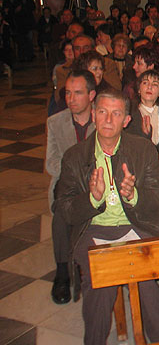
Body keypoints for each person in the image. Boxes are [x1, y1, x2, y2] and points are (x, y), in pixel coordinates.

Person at [54, 90, 159, 344]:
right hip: (93, 230)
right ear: (94, 115)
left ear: (126, 120)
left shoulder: (142, 149)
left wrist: (133, 195)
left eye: (116, 113)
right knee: (100, 286)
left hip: (136, 226)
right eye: (103, 112)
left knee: (148, 292)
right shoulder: (75, 156)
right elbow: (63, 208)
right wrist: (92, 199)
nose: (108, 119)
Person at [46, 70, 97, 304]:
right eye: (68, 93)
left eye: (77, 93)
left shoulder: (103, 120)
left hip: (97, 183)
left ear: (91, 95)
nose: (71, 99)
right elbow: (51, 161)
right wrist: (74, 175)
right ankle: (63, 273)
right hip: (66, 184)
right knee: (61, 212)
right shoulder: (55, 122)